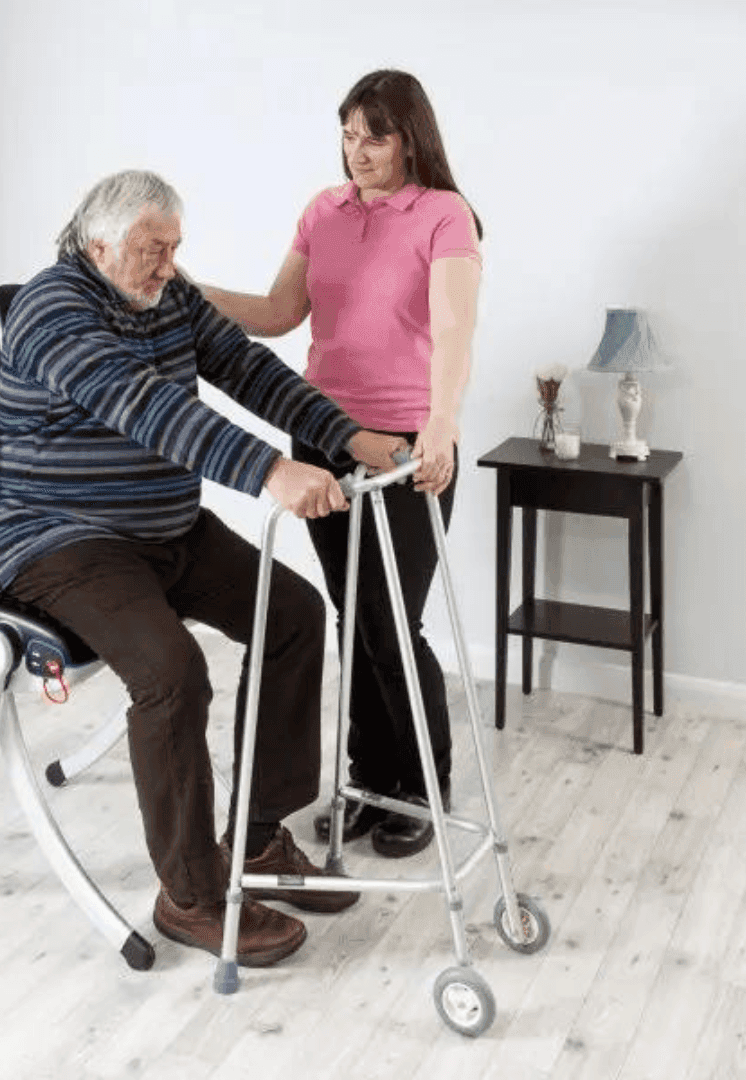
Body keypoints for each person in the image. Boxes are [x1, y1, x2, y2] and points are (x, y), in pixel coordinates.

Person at [0, 170, 408, 967]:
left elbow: (249, 370)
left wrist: (349, 437)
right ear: (98, 243)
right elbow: (147, 404)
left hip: (165, 529)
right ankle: (189, 894)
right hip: (63, 541)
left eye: (175, 249)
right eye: (153, 249)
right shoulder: (53, 310)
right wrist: (268, 473)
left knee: (294, 615)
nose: (167, 266)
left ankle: (254, 838)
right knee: (173, 673)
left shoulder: (165, 296)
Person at [200, 70, 482, 859]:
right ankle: (367, 782)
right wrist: (187, 293)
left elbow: (455, 331)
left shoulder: (444, 215)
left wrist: (442, 427)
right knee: (352, 616)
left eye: (376, 136)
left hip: (404, 446)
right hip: (319, 434)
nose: (358, 152)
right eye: (349, 134)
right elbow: (278, 314)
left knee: (393, 621)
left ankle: (421, 788)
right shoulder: (322, 211)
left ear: (411, 138)